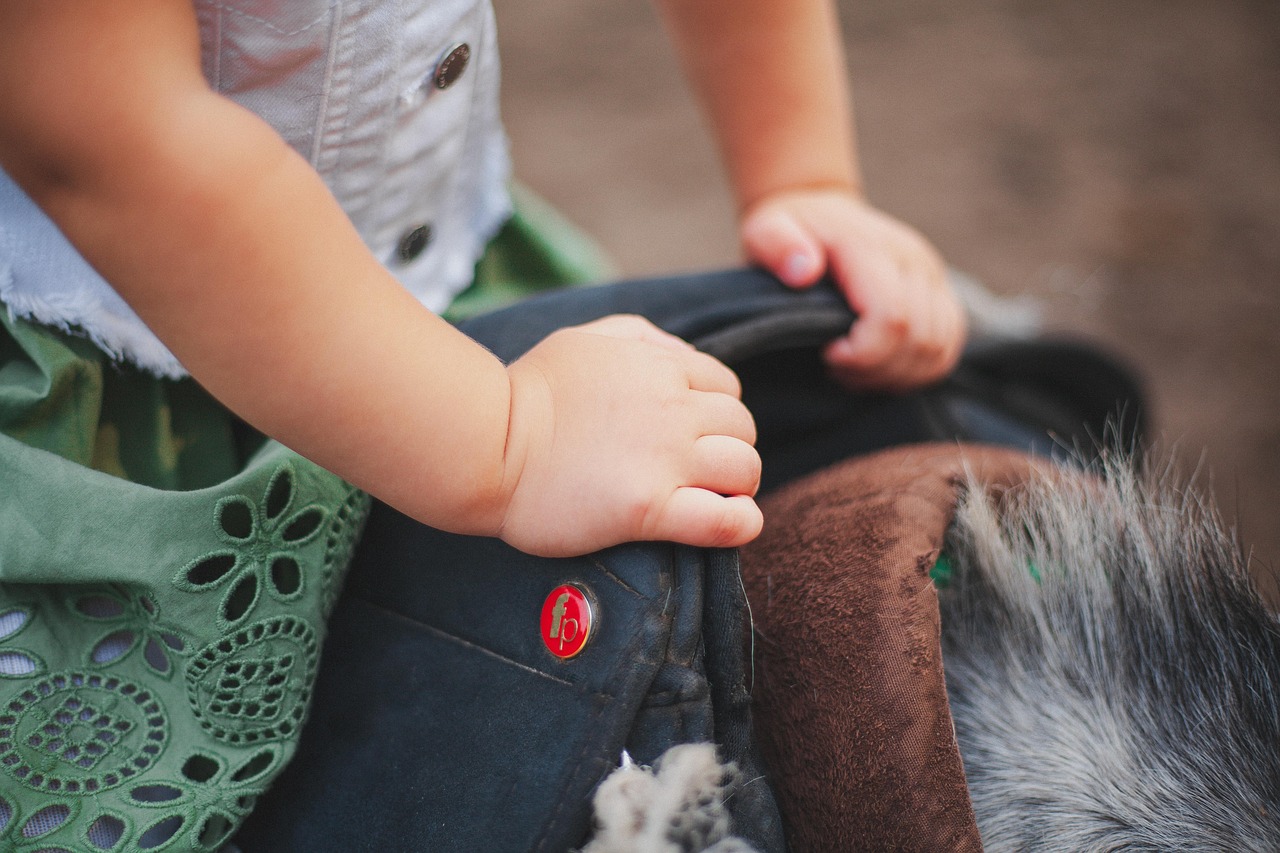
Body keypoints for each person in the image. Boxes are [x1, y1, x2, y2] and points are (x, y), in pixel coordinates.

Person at [0, 1, 965, 849]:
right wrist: (508, 436)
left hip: (427, 283)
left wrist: (803, 176)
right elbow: (100, 130)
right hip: (115, 395)